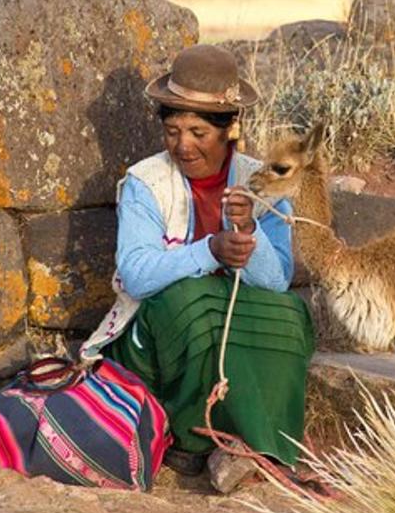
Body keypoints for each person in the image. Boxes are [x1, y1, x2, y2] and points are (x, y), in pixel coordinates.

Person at [79, 44, 314, 490]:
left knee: (290, 314)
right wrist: (211, 251)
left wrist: (249, 230)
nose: (182, 145)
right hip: (149, 338)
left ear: (229, 130)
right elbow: (136, 274)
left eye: (198, 132)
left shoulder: (262, 181)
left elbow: (276, 279)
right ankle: (190, 439)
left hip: (231, 323)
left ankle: (268, 447)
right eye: (172, 130)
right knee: (191, 301)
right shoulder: (146, 182)